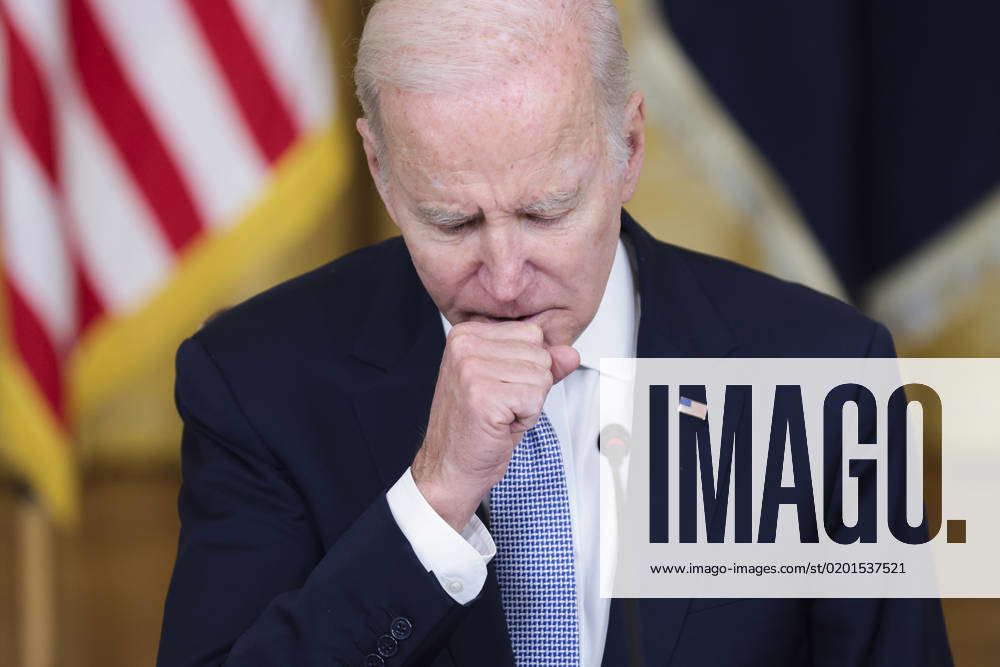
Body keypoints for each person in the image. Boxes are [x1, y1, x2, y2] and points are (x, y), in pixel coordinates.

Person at [156, 1, 952, 665]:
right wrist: (431, 503)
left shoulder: (825, 370)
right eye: (452, 220)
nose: (504, 278)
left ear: (629, 148)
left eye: (546, 212)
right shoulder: (252, 382)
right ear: (380, 169)